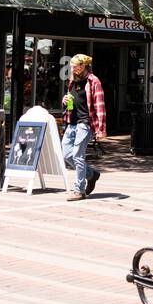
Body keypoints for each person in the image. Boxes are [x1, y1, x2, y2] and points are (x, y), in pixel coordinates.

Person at [61, 53, 105, 201]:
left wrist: (101, 129)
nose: (72, 68)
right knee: (67, 154)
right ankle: (92, 174)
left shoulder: (93, 81)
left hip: (85, 123)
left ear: (83, 66)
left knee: (77, 156)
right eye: (71, 66)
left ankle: (79, 191)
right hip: (71, 122)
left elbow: (100, 106)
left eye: (75, 66)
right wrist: (65, 100)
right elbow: (72, 99)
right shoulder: (73, 80)